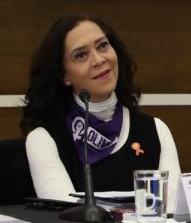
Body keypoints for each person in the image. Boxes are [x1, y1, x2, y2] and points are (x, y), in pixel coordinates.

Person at [21, 14, 181, 209]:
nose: (98, 60)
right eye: (81, 55)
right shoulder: (44, 139)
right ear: (65, 76)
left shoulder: (156, 130)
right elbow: (67, 215)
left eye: (102, 46)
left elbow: (171, 209)